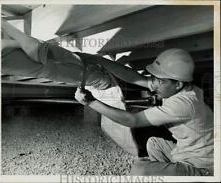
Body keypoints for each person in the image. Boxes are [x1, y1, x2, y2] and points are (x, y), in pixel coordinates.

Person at [1, 19, 139, 155]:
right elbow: (35, 49)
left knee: (96, 77)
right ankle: (106, 79)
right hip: (62, 65)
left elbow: (34, 49)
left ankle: (106, 79)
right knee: (95, 76)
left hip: (62, 64)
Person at [75, 48, 214, 176]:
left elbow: (133, 121)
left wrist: (91, 102)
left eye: (159, 80)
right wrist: (98, 59)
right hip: (186, 153)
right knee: (154, 143)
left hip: (202, 166)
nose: (154, 83)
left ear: (178, 84)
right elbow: (135, 77)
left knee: (140, 170)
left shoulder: (184, 104)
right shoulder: (177, 87)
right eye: (154, 77)